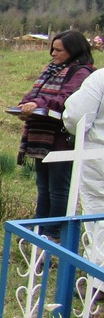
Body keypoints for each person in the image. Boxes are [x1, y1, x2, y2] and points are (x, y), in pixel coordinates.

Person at [16, 30, 94, 239]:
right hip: (41, 137)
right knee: (43, 187)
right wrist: (25, 105)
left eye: (58, 50)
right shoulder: (51, 70)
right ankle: (38, 230)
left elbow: (66, 98)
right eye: (52, 49)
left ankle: (53, 233)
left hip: (60, 139)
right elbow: (34, 93)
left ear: (73, 50)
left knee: (58, 188)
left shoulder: (82, 73)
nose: (53, 54)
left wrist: (38, 104)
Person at [63, 60, 104, 263]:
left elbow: (76, 117)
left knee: (98, 215)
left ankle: (98, 279)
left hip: (98, 158)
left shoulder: (99, 79)